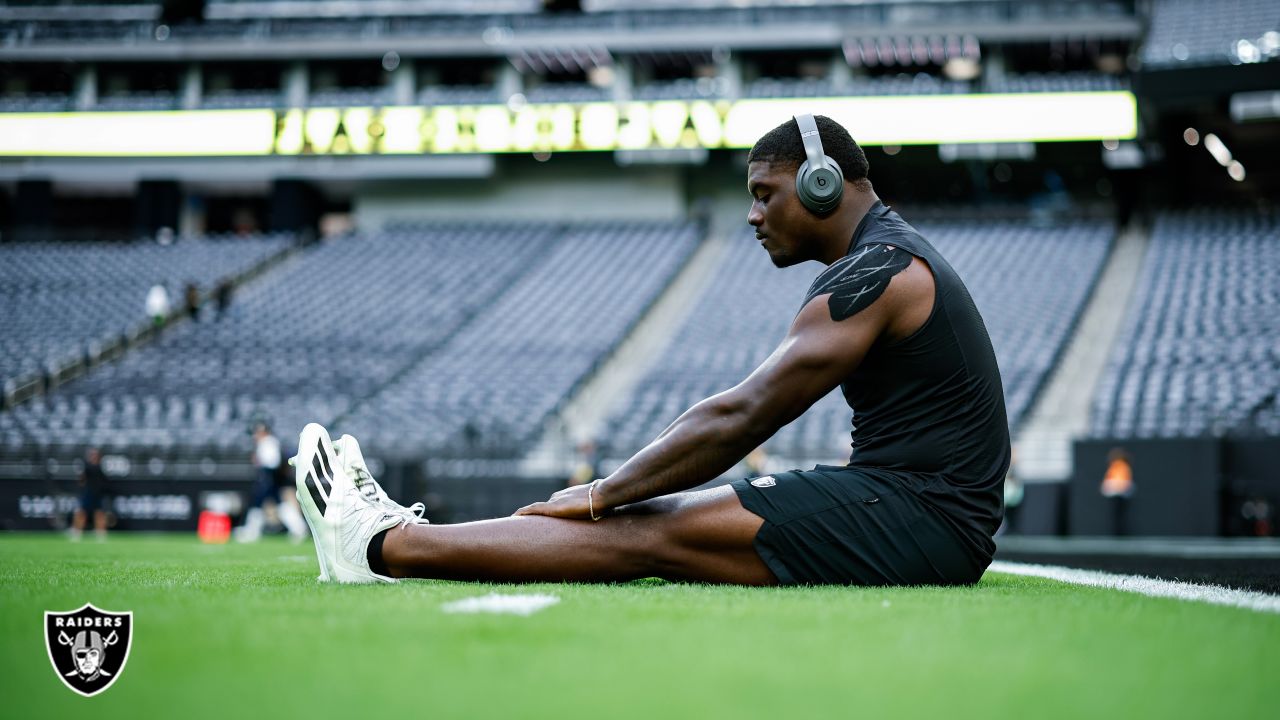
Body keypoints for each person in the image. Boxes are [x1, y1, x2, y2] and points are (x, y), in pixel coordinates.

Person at [293, 113, 1010, 586]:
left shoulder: (881, 273)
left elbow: (745, 414)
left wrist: (602, 494)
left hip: (924, 517)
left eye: (766, 194)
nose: (754, 215)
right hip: (918, 509)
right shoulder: (883, 260)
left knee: (644, 529)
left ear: (821, 183)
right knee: (647, 518)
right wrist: (610, 492)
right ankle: (397, 541)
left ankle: (383, 545)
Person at [237, 422, 307, 542]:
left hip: (269, 476)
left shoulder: (268, 442)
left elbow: (272, 462)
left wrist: (262, 468)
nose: (256, 435)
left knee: (258, 503)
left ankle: (252, 531)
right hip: (270, 477)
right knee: (277, 504)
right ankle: (299, 529)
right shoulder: (268, 442)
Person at [71, 448, 109, 541]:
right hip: (88, 493)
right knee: (82, 513)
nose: (93, 456)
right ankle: (76, 532)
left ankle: (100, 534)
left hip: (98, 494)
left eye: (95, 454)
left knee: (99, 513)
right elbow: (82, 480)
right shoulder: (87, 467)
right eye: (92, 454)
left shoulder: (100, 467)